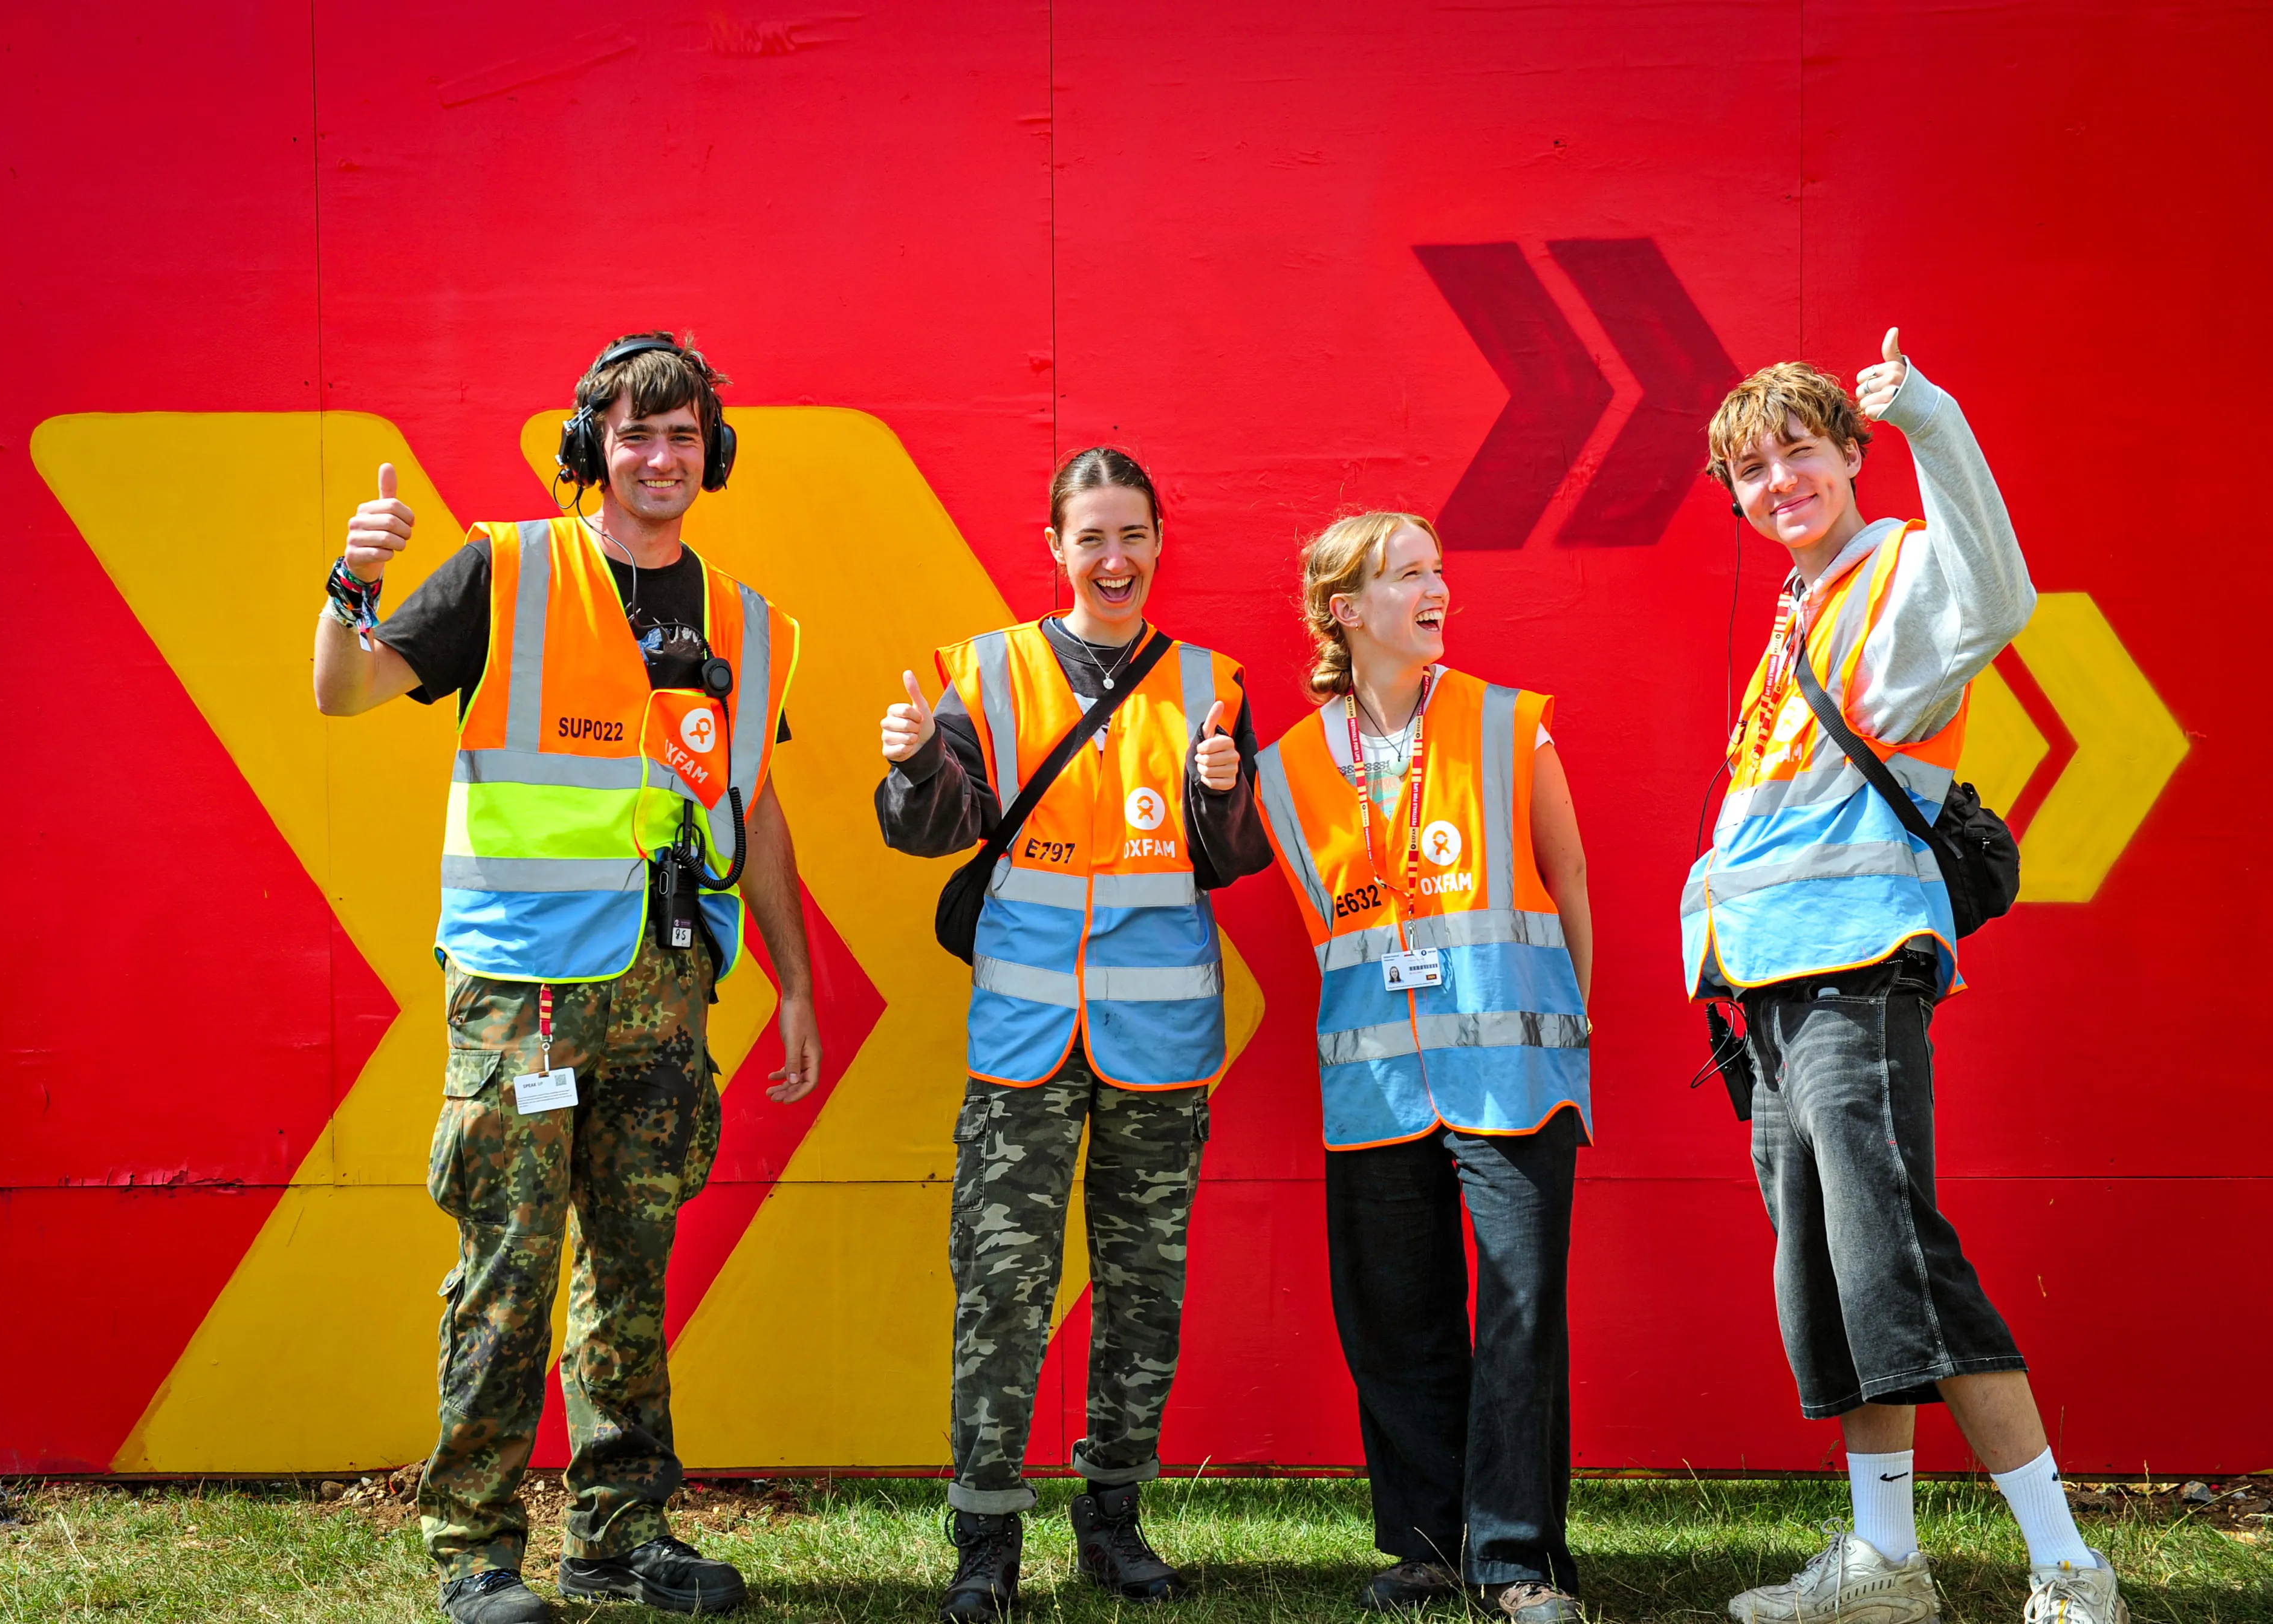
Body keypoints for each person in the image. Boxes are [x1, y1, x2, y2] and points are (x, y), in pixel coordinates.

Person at [312, 333, 821, 1623]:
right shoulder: (512, 568)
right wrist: (349, 584)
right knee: (508, 1267)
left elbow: (754, 812)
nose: (662, 458)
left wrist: (796, 982)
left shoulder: (747, 622)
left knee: (633, 1271)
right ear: (594, 444)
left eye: (685, 435)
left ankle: (617, 1531)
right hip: (524, 996)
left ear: (713, 452)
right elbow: (346, 691)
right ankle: (474, 1551)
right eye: (637, 434)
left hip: (665, 991)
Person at [1688, 332, 2125, 1624]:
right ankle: (1883, 1560)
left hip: (1849, 976)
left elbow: (1994, 594)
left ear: (1849, 458)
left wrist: (1931, 418)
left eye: (1799, 454)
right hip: (1767, 988)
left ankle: (2068, 1565)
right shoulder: (1800, 610)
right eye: (1752, 469)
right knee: (1828, 1270)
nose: (1778, 482)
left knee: (1896, 1260)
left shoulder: (1894, 581)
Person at [874, 447, 1272, 1621]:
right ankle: (984, 1543)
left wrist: (1216, 789)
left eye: (1132, 535)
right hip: (1022, 1044)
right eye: (1090, 535)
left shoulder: (1210, 680)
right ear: (1052, 543)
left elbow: (1229, 856)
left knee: (1142, 1291)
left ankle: (1112, 1521)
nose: (1113, 557)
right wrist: (910, 762)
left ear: (1158, 541)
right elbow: (936, 826)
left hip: (1158, 1048)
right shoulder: (987, 670)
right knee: (1000, 1290)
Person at [1251, 512, 1594, 1620]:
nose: (1437, 587)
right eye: (1408, 575)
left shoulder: (1509, 726)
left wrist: (1568, 1028)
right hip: (1376, 1085)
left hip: (1512, 1073)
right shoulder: (1286, 767)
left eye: (1439, 568)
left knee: (1520, 1308)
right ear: (1345, 611)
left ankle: (1518, 1557)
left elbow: (1569, 886)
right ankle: (1422, 1547)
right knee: (1395, 1320)